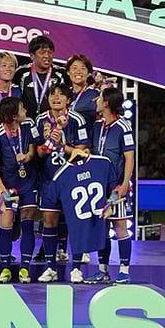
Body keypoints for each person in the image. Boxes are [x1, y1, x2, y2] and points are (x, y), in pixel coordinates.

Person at [34, 83, 90, 282]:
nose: (56, 97)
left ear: (68, 99)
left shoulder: (77, 120)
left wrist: (62, 146)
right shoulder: (40, 120)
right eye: (52, 94)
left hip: (71, 179)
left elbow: (83, 150)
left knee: (74, 223)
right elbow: (37, 152)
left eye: (61, 94)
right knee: (49, 223)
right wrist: (46, 145)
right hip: (48, 180)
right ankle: (50, 267)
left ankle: (76, 268)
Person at [40, 152, 119, 283]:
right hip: (94, 214)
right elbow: (115, 188)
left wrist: (110, 203)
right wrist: (111, 202)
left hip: (89, 214)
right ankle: (99, 271)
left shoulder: (101, 163)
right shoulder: (103, 162)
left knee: (100, 232)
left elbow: (52, 196)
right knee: (102, 233)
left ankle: (100, 271)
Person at [85, 87, 136, 284]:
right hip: (99, 187)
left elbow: (129, 158)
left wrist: (124, 184)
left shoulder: (124, 126)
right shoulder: (97, 126)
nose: (96, 100)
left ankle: (124, 270)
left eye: (99, 98)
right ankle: (102, 270)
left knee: (120, 226)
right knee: (101, 228)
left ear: (106, 102)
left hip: (116, 188)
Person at [0, 97, 38, 283]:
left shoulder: (29, 125)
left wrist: (28, 156)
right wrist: (0, 186)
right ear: (14, 115)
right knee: (6, 224)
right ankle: (5, 269)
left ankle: (25, 268)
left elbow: (33, 148)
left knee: (27, 222)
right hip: (7, 185)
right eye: (22, 108)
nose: (26, 110)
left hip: (28, 183)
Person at [16, 35, 67, 119]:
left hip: (53, 121)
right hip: (27, 122)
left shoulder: (61, 73)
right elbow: (8, 89)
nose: (47, 56)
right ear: (32, 55)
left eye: (50, 52)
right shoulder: (21, 72)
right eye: (42, 53)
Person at [66, 54, 101, 126]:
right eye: (74, 68)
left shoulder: (95, 94)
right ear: (68, 72)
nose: (78, 72)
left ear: (89, 74)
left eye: (83, 68)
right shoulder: (64, 94)